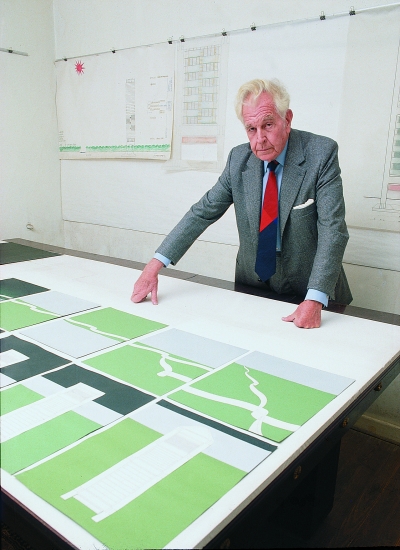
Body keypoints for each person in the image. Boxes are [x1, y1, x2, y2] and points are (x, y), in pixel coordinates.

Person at [131, 79, 352, 328]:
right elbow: (202, 212)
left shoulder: (320, 154)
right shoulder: (239, 159)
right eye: (251, 129)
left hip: (310, 289)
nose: (260, 139)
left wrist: (314, 299)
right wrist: (154, 266)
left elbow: (333, 230)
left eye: (268, 125)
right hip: (253, 285)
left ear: (287, 120)